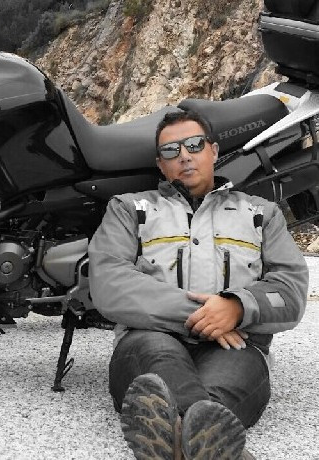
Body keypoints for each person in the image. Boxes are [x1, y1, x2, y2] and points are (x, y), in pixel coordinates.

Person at [88, 110, 309, 460]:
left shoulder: (261, 213)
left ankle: (177, 437)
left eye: (194, 144)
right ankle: (213, 445)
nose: (184, 156)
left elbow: (290, 291)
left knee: (217, 392)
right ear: (160, 164)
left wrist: (238, 307)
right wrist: (211, 315)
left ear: (214, 150)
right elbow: (108, 283)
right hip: (149, 338)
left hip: (237, 346)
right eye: (171, 150)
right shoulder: (128, 209)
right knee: (160, 361)